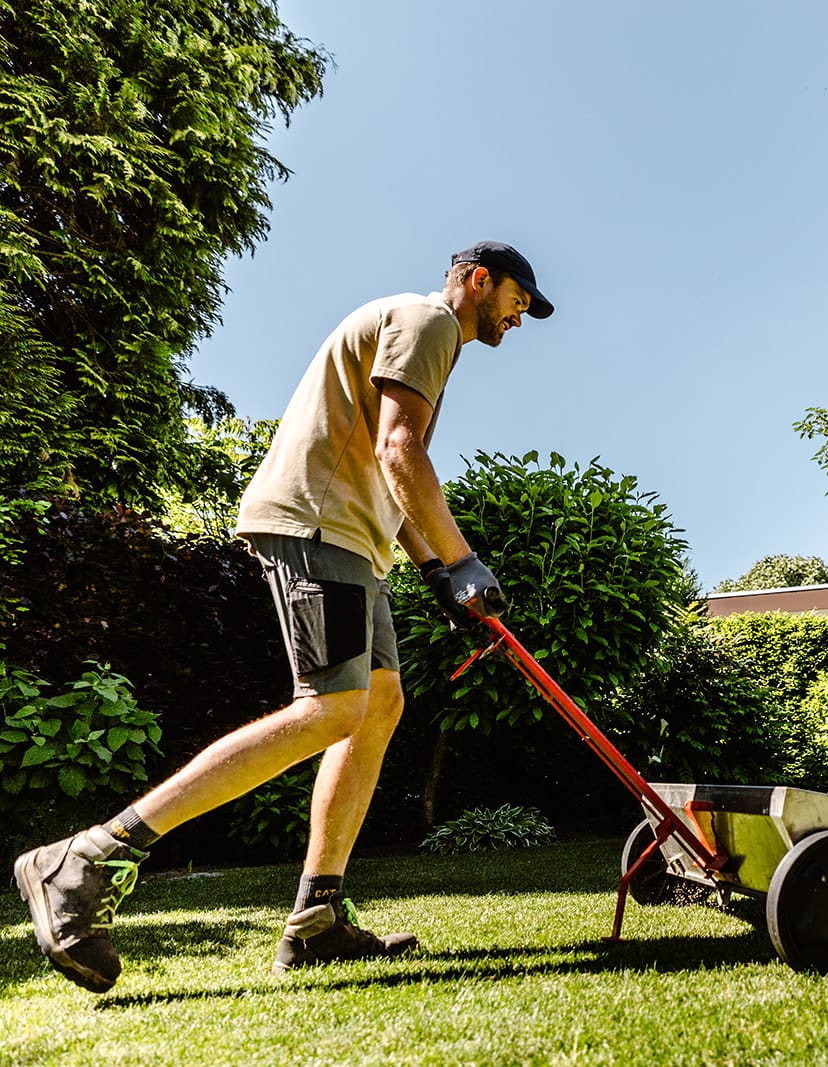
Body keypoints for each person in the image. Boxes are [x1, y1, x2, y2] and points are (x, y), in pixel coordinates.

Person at [12, 240, 554, 994]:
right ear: (479, 280)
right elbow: (400, 450)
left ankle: (317, 915)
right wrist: (465, 560)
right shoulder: (429, 321)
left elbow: (386, 469)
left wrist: (435, 570)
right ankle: (87, 857)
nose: (517, 319)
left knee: (378, 705)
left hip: (353, 538)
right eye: (516, 302)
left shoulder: (424, 335)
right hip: (317, 526)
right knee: (329, 707)